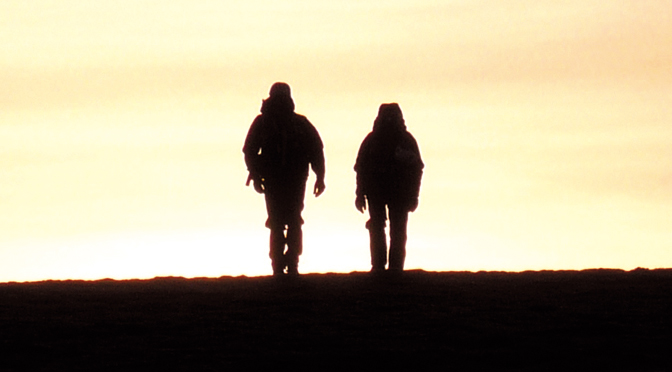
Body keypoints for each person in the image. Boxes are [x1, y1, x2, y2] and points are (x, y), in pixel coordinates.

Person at [243, 82, 326, 276]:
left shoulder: (298, 124)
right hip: (273, 180)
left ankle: (289, 261)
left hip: (294, 179)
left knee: (288, 220)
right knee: (280, 220)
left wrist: (320, 177)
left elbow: (316, 150)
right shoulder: (267, 123)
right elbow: (249, 151)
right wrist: (255, 175)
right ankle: (280, 263)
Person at [354, 103, 423, 273]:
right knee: (383, 228)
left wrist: (414, 195)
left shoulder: (402, 141)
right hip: (379, 192)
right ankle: (382, 266)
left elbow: (416, 169)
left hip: (396, 193)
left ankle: (392, 267)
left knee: (393, 229)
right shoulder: (374, 141)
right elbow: (360, 168)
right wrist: (360, 193)